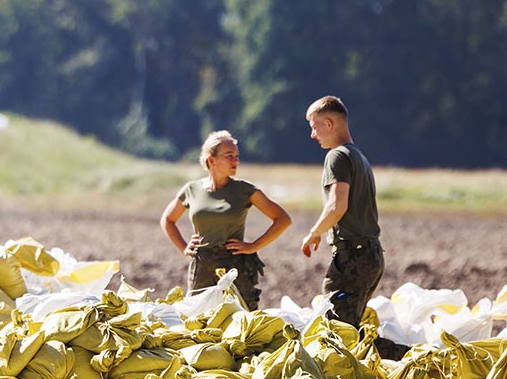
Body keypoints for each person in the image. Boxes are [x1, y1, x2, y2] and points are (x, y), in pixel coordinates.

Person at [160, 130, 292, 310]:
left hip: (235, 268)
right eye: (229, 156)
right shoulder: (192, 190)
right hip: (202, 269)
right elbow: (168, 220)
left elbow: (282, 219)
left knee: (241, 324)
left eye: (237, 156)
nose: (235, 160)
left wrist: (254, 246)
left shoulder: (244, 190)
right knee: (198, 323)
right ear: (211, 160)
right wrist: (184, 248)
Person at [300, 95, 391, 335]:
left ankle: (418, 358)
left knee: (336, 332)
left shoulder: (337, 156)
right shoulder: (358, 157)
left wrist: (313, 233)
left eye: (314, 127)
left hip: (353, 257)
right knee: (350, 330)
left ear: (329, 124)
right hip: (370, 254)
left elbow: (336, 206)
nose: (312, 134)